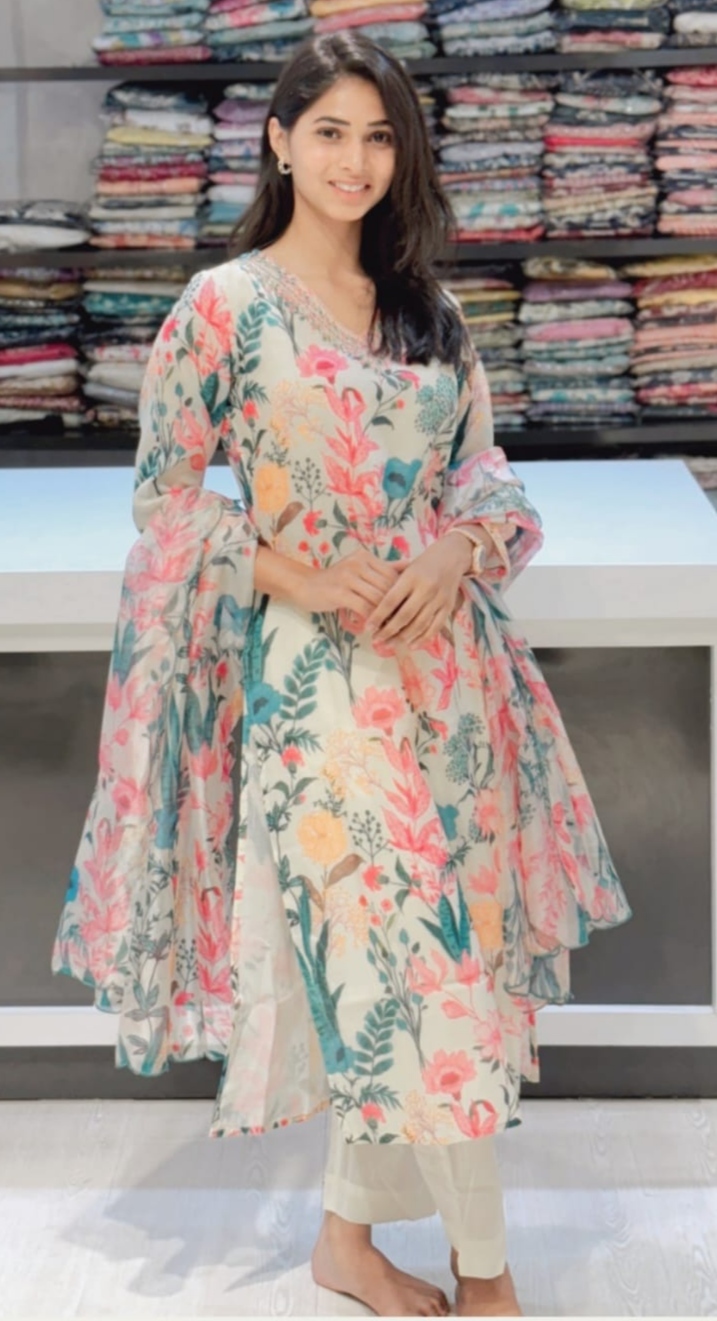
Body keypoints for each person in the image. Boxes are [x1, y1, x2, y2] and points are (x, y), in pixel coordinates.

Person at [51, 31, 633, 1319]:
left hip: (452, 681)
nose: (355, 161)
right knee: (424, 969)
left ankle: (345, 1246)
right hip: (315, 686)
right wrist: (299, 576)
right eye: (329, 133)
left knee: (415, 972)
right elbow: (163, 506)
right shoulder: (224, 308)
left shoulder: (430, 312)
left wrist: (458, 547)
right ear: (279, 142)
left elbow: (487, 481)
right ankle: (490, 1279)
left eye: (379, 138)